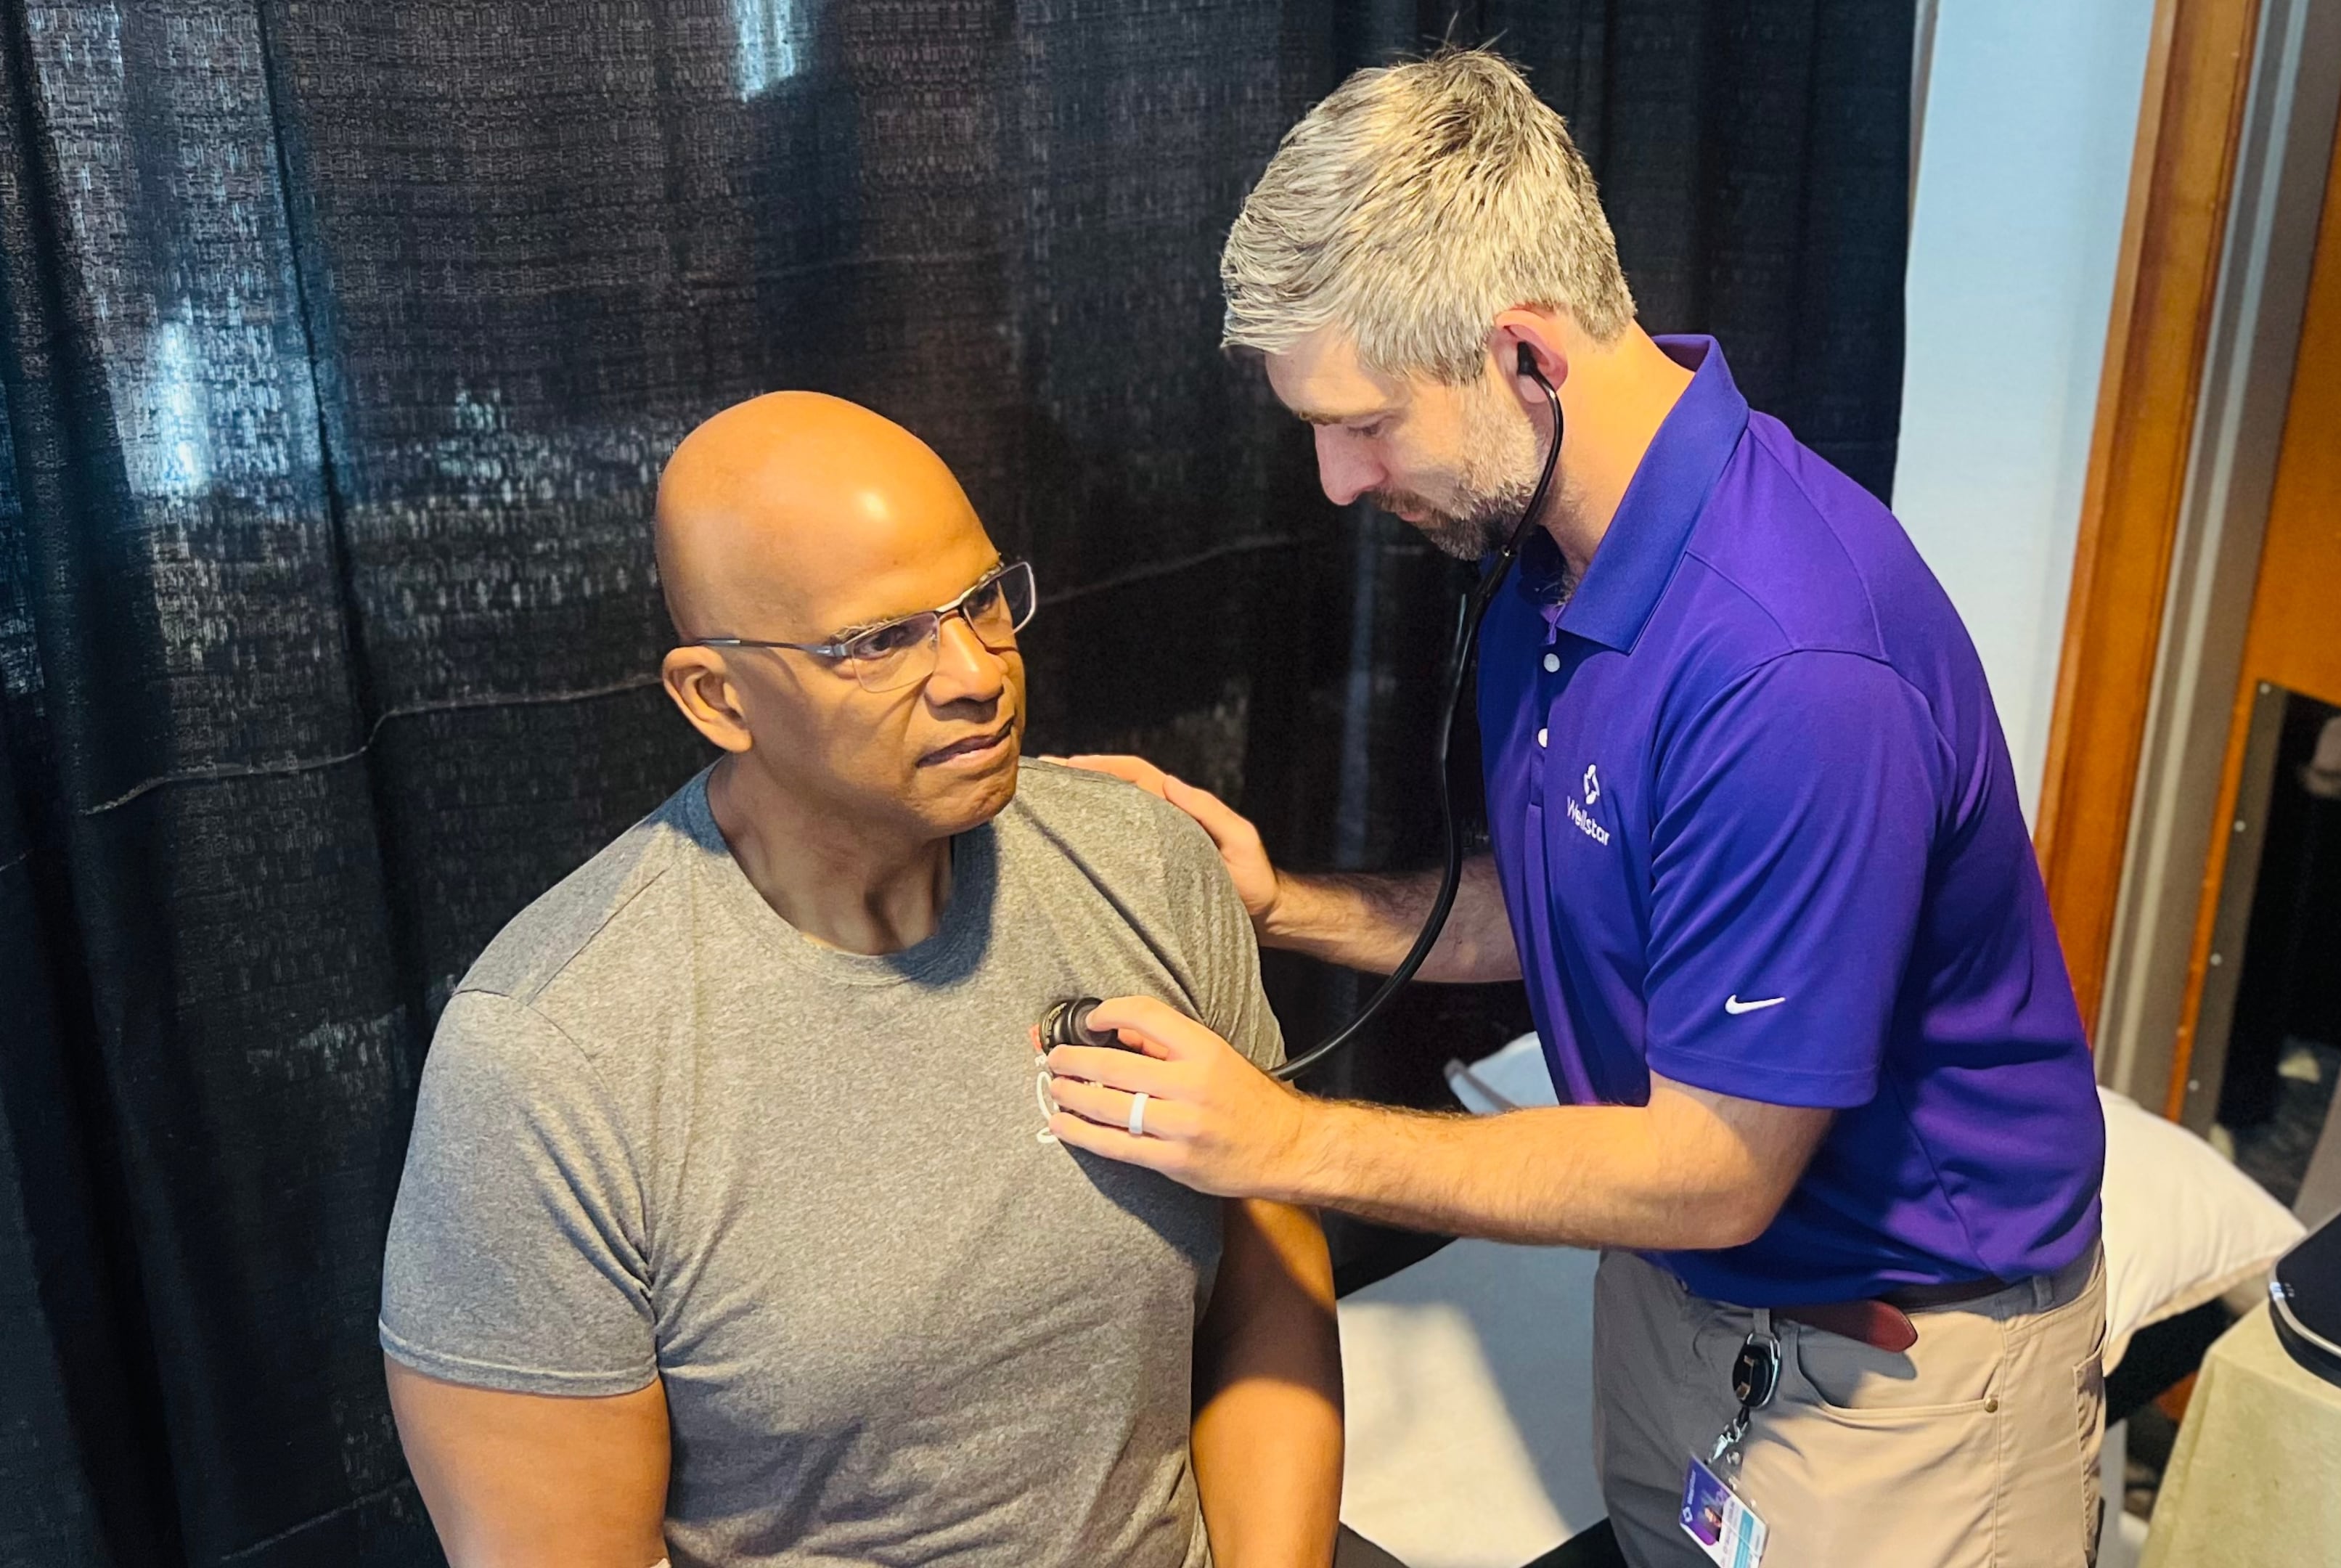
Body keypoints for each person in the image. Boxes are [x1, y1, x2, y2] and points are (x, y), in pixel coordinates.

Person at [1045, 49, 2107, 1568]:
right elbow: (1574, 902)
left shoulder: (1789, 666)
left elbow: (1715, 1169)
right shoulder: (1551, 555)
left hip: (1893, 1370)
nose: (1340, 483)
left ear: (1525, 356)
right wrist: (1288, 905)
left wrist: (1278, 1140)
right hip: (1684, 1303)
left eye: (1364, 423)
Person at [377, 391, 1342, 1568]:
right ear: (716, 698)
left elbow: (1272, 1279)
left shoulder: (1144, 866)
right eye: (880, 642)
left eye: (984, 600)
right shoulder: (550, 1059)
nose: (977, 673)